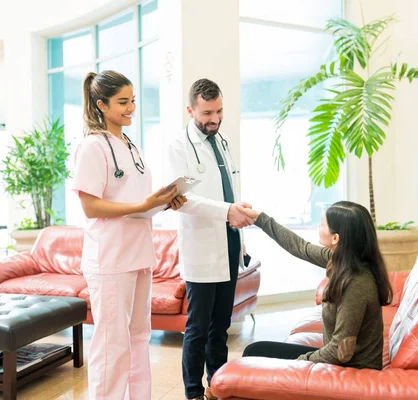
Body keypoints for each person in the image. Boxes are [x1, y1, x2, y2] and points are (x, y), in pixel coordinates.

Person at [72, 70, 187, 399]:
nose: (131, 108)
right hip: (110, 258)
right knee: (112, 343)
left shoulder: (131, 146)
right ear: (101, 105)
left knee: (139, 336)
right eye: (122, 102)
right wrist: (144, 203)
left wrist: (162, 203)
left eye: (133, 100)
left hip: (139, 254)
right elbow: (91, 206)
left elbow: (136, 202)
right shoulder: (92, 147)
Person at [165, 78, 253, 400]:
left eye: (218, 111)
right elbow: (182, 200)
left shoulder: (224, 142)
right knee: (198, 327)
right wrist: (227, 210)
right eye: (206, 112)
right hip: (201, 243)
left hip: (229, 240)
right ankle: (192, 393)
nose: (213, 119)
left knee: (222, 324)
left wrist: (238, 226)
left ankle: (218, 384)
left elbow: (231, 188)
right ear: (191, 110)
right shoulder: (178, 146)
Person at [238, 201, 392, 369]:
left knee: (255, 354)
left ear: (335, 238)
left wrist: (300, 362)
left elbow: (340, 351)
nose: (319, 226)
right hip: (342, 362)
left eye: (323, 224)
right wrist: (260, 218)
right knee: (256, 350)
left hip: (351, 371)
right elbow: (300, 247)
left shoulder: (356, 284)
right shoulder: (343, 260)